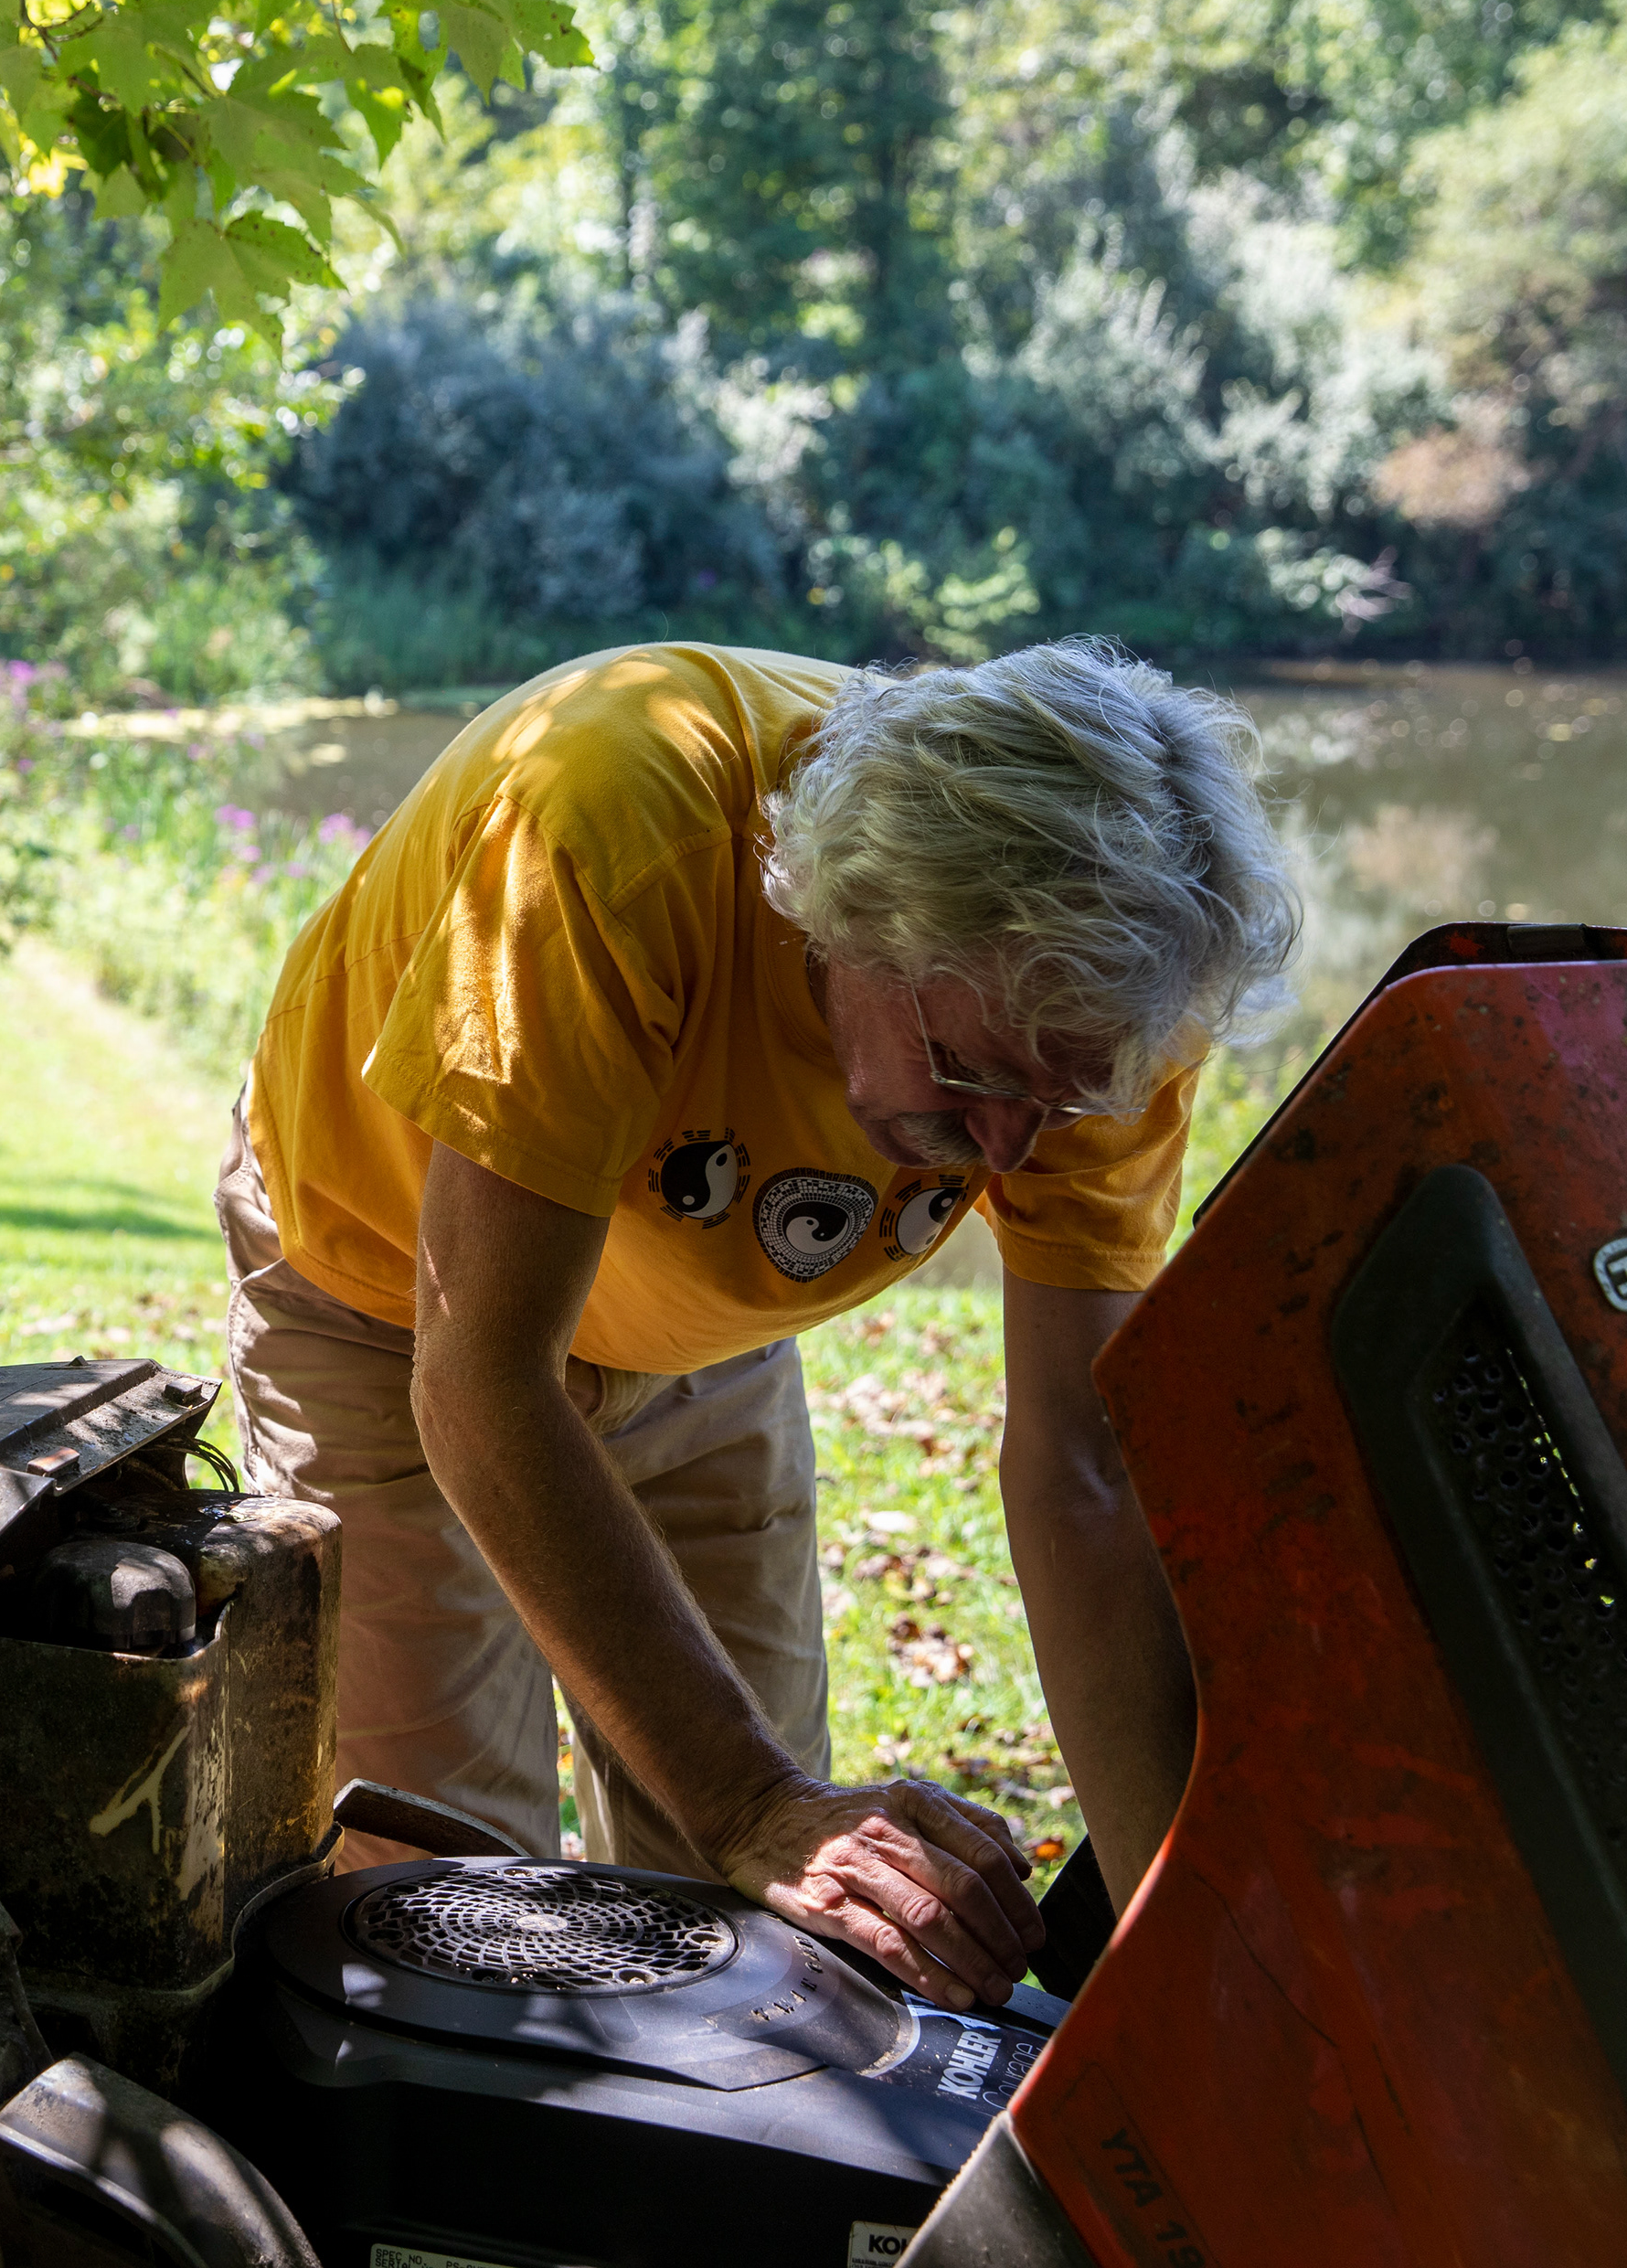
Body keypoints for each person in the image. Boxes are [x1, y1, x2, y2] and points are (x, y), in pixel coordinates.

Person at [219, 638, 1297, 2011]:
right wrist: (752, 1802)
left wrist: (1188, 1965)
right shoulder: (612, 821)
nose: (1009, 1157)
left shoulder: (1113, 987)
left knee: (759, 1924)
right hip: (385, 1296)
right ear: (845, 918)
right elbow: (481, 1379)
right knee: (436, 1891)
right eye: (970, 1079)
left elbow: (1084, 1470)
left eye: (1064, 1102)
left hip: (697, 1332)